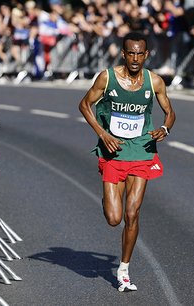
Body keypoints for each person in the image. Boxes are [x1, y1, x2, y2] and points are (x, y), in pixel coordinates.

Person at [78, 31, 175, 292]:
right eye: (130, 53)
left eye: (139, 54)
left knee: (132, 213)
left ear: (146, 55)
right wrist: (103, 134)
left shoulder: (154, 81)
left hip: (142, 151)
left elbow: (170, 112)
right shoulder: (107, 77)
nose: (134, 58)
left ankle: (123, 269)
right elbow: (84, 105)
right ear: (123, 53)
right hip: (113, 151)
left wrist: (164, 129)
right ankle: (109, 197)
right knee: (113, 218)